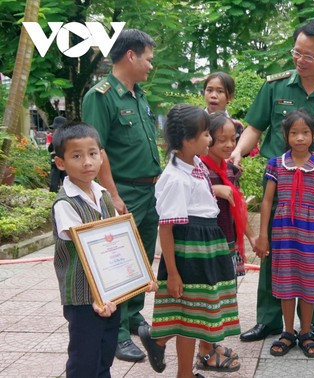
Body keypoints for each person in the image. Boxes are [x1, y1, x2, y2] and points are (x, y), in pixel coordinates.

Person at [230, 19, 314, 342]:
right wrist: (237, 152)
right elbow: (255, 128)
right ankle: (270, 319)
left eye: (308, 56)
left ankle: (311, 321)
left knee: (313, 250)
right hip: (279, 182)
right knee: (270, 246)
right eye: (296, 53)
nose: (300, 60)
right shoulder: (275, 86)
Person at [138, 104, 241, 377]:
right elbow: (166, 228)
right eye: (206, 134)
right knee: (191, 317)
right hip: (189, 252)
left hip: (205, 246)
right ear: (187, 140)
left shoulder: (193, 163)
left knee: (193, 318)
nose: (210, 139)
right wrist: (172, 273)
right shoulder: (175, 178)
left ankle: (172, 358)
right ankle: (166, 351)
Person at [50, 122, 155, 377]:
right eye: (77, 156)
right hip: (85, 297)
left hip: (112, 293)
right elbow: (89, 251)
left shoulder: (104, 194)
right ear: (60, 163)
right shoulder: (65, 204)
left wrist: (140, 278)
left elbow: (118, 244)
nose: (87, 162)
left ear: (101, 156)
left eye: (93, 154)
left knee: (105, 351)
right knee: (84, 357)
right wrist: (100, 297)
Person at [82, 28, 161, 362]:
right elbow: (96, 149)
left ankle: (131, 316)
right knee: (118, 264)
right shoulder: (101, 96)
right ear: (131, 55)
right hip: (123, 189)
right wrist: (112, 195)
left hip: (149, 189)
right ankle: (115, 333)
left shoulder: (138, 94)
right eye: (148, 58)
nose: (150, 66)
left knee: (141, 260)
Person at [254, 109, 314, 358]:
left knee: (310, 284)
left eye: (305, 133)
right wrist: (263, 236)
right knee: (286, 282)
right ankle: (288, 332)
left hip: (311, 233)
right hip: (283, 232)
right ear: (286, 135)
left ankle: (306, 332)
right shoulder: (275, 165)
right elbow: (267, 202)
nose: (300, 138)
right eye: (294, 133)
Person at [196, 112, 256, 370]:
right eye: (222, 140)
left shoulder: (229, 168)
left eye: (233, 139)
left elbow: (238, 207)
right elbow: (187, 199)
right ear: (207, 138)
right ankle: (204, 351)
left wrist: (251, 236)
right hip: (209, 246)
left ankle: (211, 344)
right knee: (212, 298)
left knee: (223, 296)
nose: (230, 145)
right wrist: (212, 189)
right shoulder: (199, 169)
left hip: (227, 242)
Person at [48, 116, 67, 192]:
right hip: (55, 163)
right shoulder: (54, 137)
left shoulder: (68, 138)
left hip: (65, 162)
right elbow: (50, 149)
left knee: (66, 183)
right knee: (53, 184)